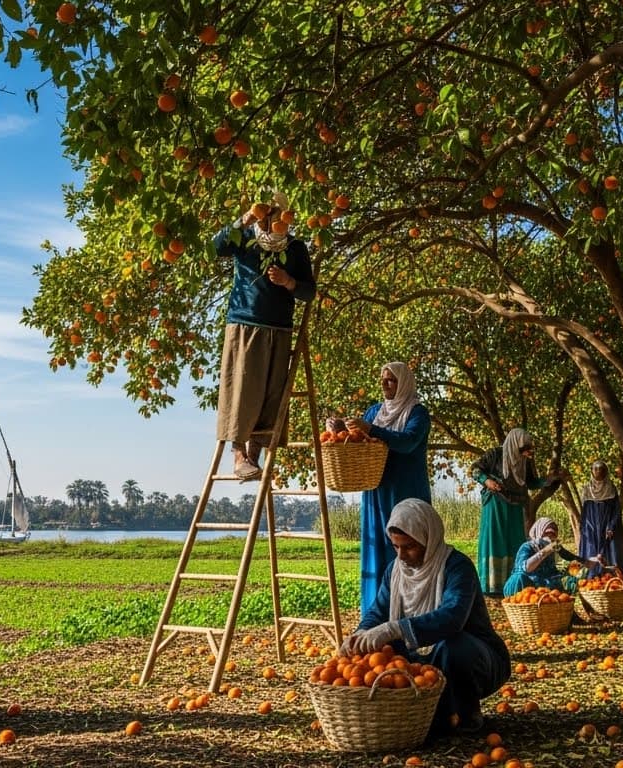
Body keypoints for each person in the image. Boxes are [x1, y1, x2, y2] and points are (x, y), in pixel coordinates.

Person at [339, 498, 510, 739]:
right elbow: (379, 611)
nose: (402, 555)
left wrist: (394, 628)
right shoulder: (395, 571)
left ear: (428, 539)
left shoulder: (456, 567)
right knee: (381, 650)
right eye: (396, 547)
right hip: (421, 658)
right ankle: (424, 714)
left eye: (409, 547)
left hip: (475, 658)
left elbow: (452, 617)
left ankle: (467, 712)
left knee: (454, 646)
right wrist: (362, 634)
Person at [213, 189, 316, 480]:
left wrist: (289, 282)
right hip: (246, 323)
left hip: (279, 328)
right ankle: (238, 455)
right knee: (242, 392)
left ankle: (254, 456)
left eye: (275, 215)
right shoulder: (245, 238)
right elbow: (217, 246)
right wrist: (245, 218)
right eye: (265, 214)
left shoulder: (294, 248)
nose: (270, 220)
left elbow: (308, 291)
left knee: (271, 396)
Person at [336, 361, 432, 615]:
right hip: (376, 490)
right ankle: (376, 612)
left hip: (405, 492)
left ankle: (410, 612)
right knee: (378, 546)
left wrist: (373, 429)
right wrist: (339, 429)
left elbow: (408, 442)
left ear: (404, 384)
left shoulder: (417, 413)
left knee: (406, 546)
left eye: (391, 380)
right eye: (383, 380)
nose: (385, 385)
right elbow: (359, 440)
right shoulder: (374, 411)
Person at [471, 429, 560, 597]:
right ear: (514, 444)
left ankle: (513, 581)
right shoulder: (495, 454)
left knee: (514, 541)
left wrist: (549, 480)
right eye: (523, 448)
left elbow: (531, 483)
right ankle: (492, 586)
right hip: (496, 505)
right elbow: (475, 470)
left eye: (529, 449)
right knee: (496, 541)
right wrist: (487, 480)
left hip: (515, 504)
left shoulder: (524, 462)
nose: (527, 453)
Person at [502, 518, 591, 597]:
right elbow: (525, 568)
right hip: (526, 584)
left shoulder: (554, 547)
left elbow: (569, 556)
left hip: (546, 583)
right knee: (519, 578)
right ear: (539, 532)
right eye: (547, 533)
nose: (550, 537)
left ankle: (566, 611)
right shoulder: (527, 547)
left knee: (573, 580)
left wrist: (587, 562)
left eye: (554, 533)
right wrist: (544, 551)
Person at [578, 460, 623, 581]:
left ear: (606, 471)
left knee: (610, 549)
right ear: (591, 471)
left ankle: (612, 579)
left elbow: (616, 509)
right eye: (596, 469)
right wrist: (585, 526)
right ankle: (592, 579)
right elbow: (585, 511)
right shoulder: (587, 489)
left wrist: (612, 526)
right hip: (591, 525)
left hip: (607, 524)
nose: (598, 471)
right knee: (591, 550)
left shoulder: (611, 488)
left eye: (601, 469)